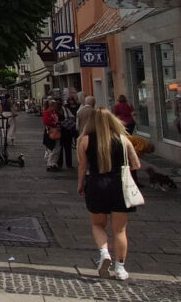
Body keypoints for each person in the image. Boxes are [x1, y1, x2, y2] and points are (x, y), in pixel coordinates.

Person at [77, 108, 141, 281]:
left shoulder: (85, 140)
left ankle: (104, 252)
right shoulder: (123, 139)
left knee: (98, 225)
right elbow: (136, 165)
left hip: (96, 186)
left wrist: (80, 185)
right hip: (119, 186)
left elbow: (83, 167)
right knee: (120, 230)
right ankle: (120, 268)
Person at [43, 100, 62, 171]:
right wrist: (55, 124)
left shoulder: (54, 112)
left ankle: (54, 163)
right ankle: (50, 163)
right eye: (54, 105)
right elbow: (46, 121)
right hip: (51, 132)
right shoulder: (46, 112)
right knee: (52, 148)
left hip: (56, 131)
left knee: (57, 148)